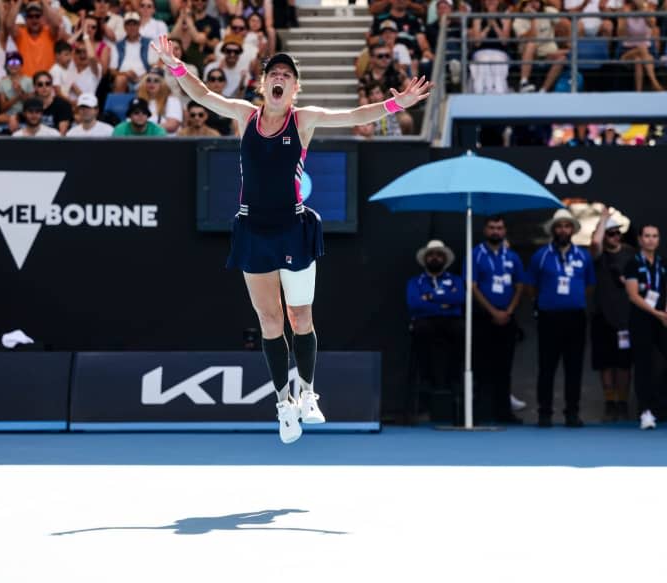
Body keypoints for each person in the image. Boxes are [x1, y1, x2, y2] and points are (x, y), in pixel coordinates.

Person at [151, 34, 431, 443]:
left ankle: (308, 391)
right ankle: (284, 402)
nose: (279, 79)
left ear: (295, 88)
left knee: (301, 318)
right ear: (262, 84)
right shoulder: (244, 114)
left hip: (294, 229)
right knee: (270, 321)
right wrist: (174, 64)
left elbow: (355, 115)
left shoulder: (304, 120)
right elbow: (203, 92)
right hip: (253, 230)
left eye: (287, 75)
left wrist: (396, 105)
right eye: (273, 74)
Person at [528, 209, 596, 428]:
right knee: (547, 367)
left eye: (567, 226)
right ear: (553, 230)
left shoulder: (583, 255)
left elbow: (589, 285)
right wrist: (547, 301)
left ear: (573, 230)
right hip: (549, 317)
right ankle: (544, 413)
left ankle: (572, 413)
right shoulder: (541, 255)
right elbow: (531, 286)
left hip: (575, 317)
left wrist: (571, 300)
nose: (563, 230)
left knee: (574, 367)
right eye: (559, 226)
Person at [470, 216, 525, 424]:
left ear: (505, 231)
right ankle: (481, 413)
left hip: (507, 317)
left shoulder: (512, 256)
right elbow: (472, 286)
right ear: (485, 230)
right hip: (484, 317)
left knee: (505, 367)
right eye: (492, 228)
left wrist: (508, 311)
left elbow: (520, 285)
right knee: (482, 366)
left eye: (499, 228)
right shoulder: (476, 254)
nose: (496, 232)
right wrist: (493, 311)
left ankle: (504, 412)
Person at [407, 240, 466, 419]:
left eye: (439, 255)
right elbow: (415, 303)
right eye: (431, 255)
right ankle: (426, 386)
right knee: (422, 329)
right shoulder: (415, 282)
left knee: (460, 329)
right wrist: (443, 305)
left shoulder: (455, 280)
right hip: (426, 325)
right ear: (425, 259)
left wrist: (431, 297)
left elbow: (460, 300)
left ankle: (455, 386)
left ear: (445, 259)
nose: (435, 258)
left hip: (450, 325)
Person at [589, 206, 635, 421]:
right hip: (602, 316)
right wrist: (603, 218)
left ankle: (623, 403)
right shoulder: (598, 256)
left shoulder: (630, 254)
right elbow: (596, 243)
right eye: (611, 233)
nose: (615, 237)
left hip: (625, 318)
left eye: (618, 232)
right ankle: (610, 402)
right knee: (605, 363)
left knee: (624, 364)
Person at [624, 225, 667, 430]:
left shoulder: (662, 263)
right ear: (640, 240)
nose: (651, 240)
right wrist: (657, 313)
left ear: (658, 240)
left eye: (654, 236)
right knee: (643, 365)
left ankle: (660, 405)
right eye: (647, 236)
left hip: (662, 320)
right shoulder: (633, 264)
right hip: (641, 319)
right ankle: (645, 411)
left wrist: (665, 312)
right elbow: (633, 296)